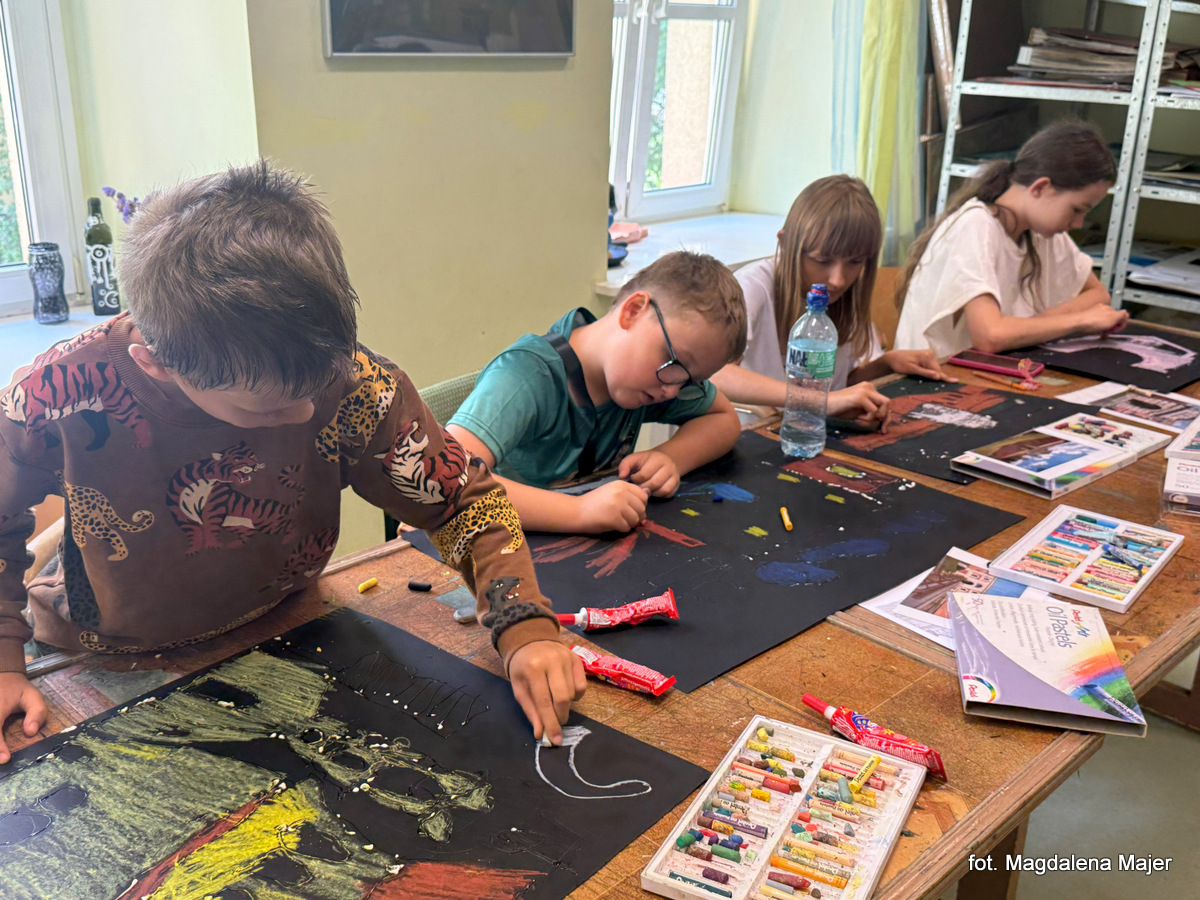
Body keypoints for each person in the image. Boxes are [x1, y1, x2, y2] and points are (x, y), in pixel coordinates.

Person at [0, 162, 584, 763]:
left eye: (317, 387)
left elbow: (462, 502)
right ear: (156, 364)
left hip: (288, 623)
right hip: (101, 656)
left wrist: (523, 626)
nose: (306, 412)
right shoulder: (52, 394)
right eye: (269, 407)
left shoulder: (356, 383)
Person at [447, 251, 746, 535]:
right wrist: (579, 511)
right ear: (633, 311)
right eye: (674, 363)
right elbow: (450, 479)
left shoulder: (647, 383)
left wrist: (670, 458)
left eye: (688, 381)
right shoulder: (525, 375)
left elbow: (723, 418)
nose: (672, 390)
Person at [711, 176, 953, 430]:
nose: (838, 280)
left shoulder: (843, 299)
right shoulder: (750, 288)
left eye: (855, 262)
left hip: (808, 435)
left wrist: (886, 364)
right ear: (785, 243)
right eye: (822, 261)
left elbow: (837, 390)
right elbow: (715, 374)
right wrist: (816, 400)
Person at [894, 119, 1129, 358]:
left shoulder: (1039, 229)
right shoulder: (975, 225)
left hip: (985, 366)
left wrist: (1038, 324)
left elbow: (1099, 295)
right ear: (1040, 188)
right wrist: (1076, 321)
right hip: (935, 372)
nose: (1078, 223)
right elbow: (989, 336)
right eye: (1077, 210)